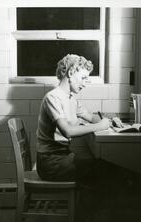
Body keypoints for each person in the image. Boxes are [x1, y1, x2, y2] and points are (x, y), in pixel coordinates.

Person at [36, 54, 125, 189]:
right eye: (83, 78)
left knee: (104, 168)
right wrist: (99, 126)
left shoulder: (71, 98)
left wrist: (111, 121)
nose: (84, 84)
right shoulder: (53, 98)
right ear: (71, 73)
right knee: (105, 171)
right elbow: (68, 132)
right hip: (51, 164)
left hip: (63, 158)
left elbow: (90, 116)